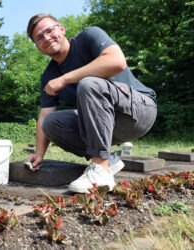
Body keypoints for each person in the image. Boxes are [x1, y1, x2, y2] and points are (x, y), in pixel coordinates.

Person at [26, 14, 157, 193]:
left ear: (62, 29)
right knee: (51, 123)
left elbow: (117, 62)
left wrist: (65, 79)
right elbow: (45, 115)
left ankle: (100, 169)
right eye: (39, 38)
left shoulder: (89, 36)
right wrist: (39, 154)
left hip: (140, 111)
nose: (46, 38)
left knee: (89, 83)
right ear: (37, 46)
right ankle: (107, 159)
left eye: (50, 30)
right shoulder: (48, 76)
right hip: (104, 124)